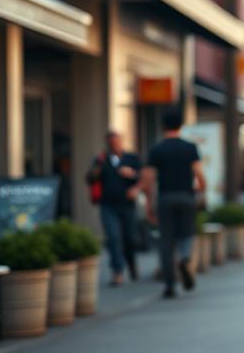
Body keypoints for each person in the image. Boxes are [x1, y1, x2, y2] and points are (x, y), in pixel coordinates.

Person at [143, 110, 206, 299]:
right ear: (181, 126)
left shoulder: (157, 149)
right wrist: (200, 192)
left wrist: (148, 204)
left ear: (163, 127)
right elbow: (199, 176)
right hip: (186, 197)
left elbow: (149, 179)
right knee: (187, 234)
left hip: (165, 198)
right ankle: (185, 258)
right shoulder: (190, 148)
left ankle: (169, 285)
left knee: (166, 242)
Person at [87, 131, 142, 286]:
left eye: (116, 142)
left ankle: (131, 263)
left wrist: (133, 178)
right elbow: (90, 179)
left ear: (121, 142)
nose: (114, 145)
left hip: (127, 205)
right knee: (112, 237)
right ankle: (118, 270)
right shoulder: (101, 160)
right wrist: (95, 171)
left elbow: (143, 178)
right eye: (111, 143)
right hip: (108, 205)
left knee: (129, 238)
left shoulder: (131, 158)